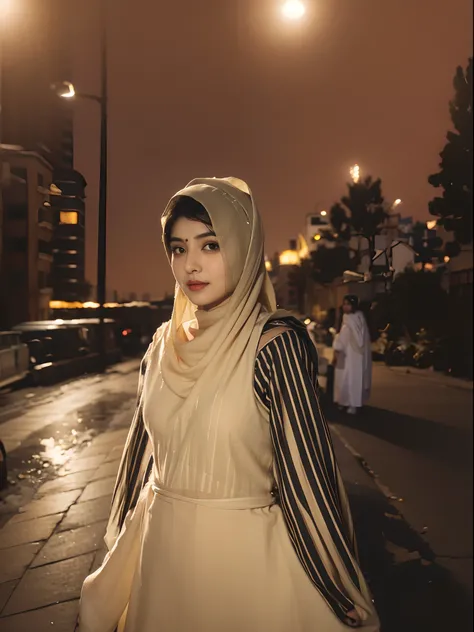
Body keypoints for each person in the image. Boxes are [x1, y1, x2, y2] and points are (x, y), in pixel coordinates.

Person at [78, 178, 379, 632]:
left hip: (247, 568)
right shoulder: (162, 344)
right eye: (178, 249)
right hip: (160, 561)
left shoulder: (273, 345)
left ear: (244, 246)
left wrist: (334, 581)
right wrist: (118, 547)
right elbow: (140, 457)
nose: (191, 265)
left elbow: (307, 476)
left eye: (211, 244)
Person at [332, 295, 372, 415]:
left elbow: (342, 339)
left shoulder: (348, 319)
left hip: (348, 355)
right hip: (359, 357)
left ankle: (346, 403)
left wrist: (336, 350)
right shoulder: (361, 317)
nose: (345, 306)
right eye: (344, 304)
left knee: (346, 379)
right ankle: (354, 404)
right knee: (356, 379)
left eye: (348, 304)